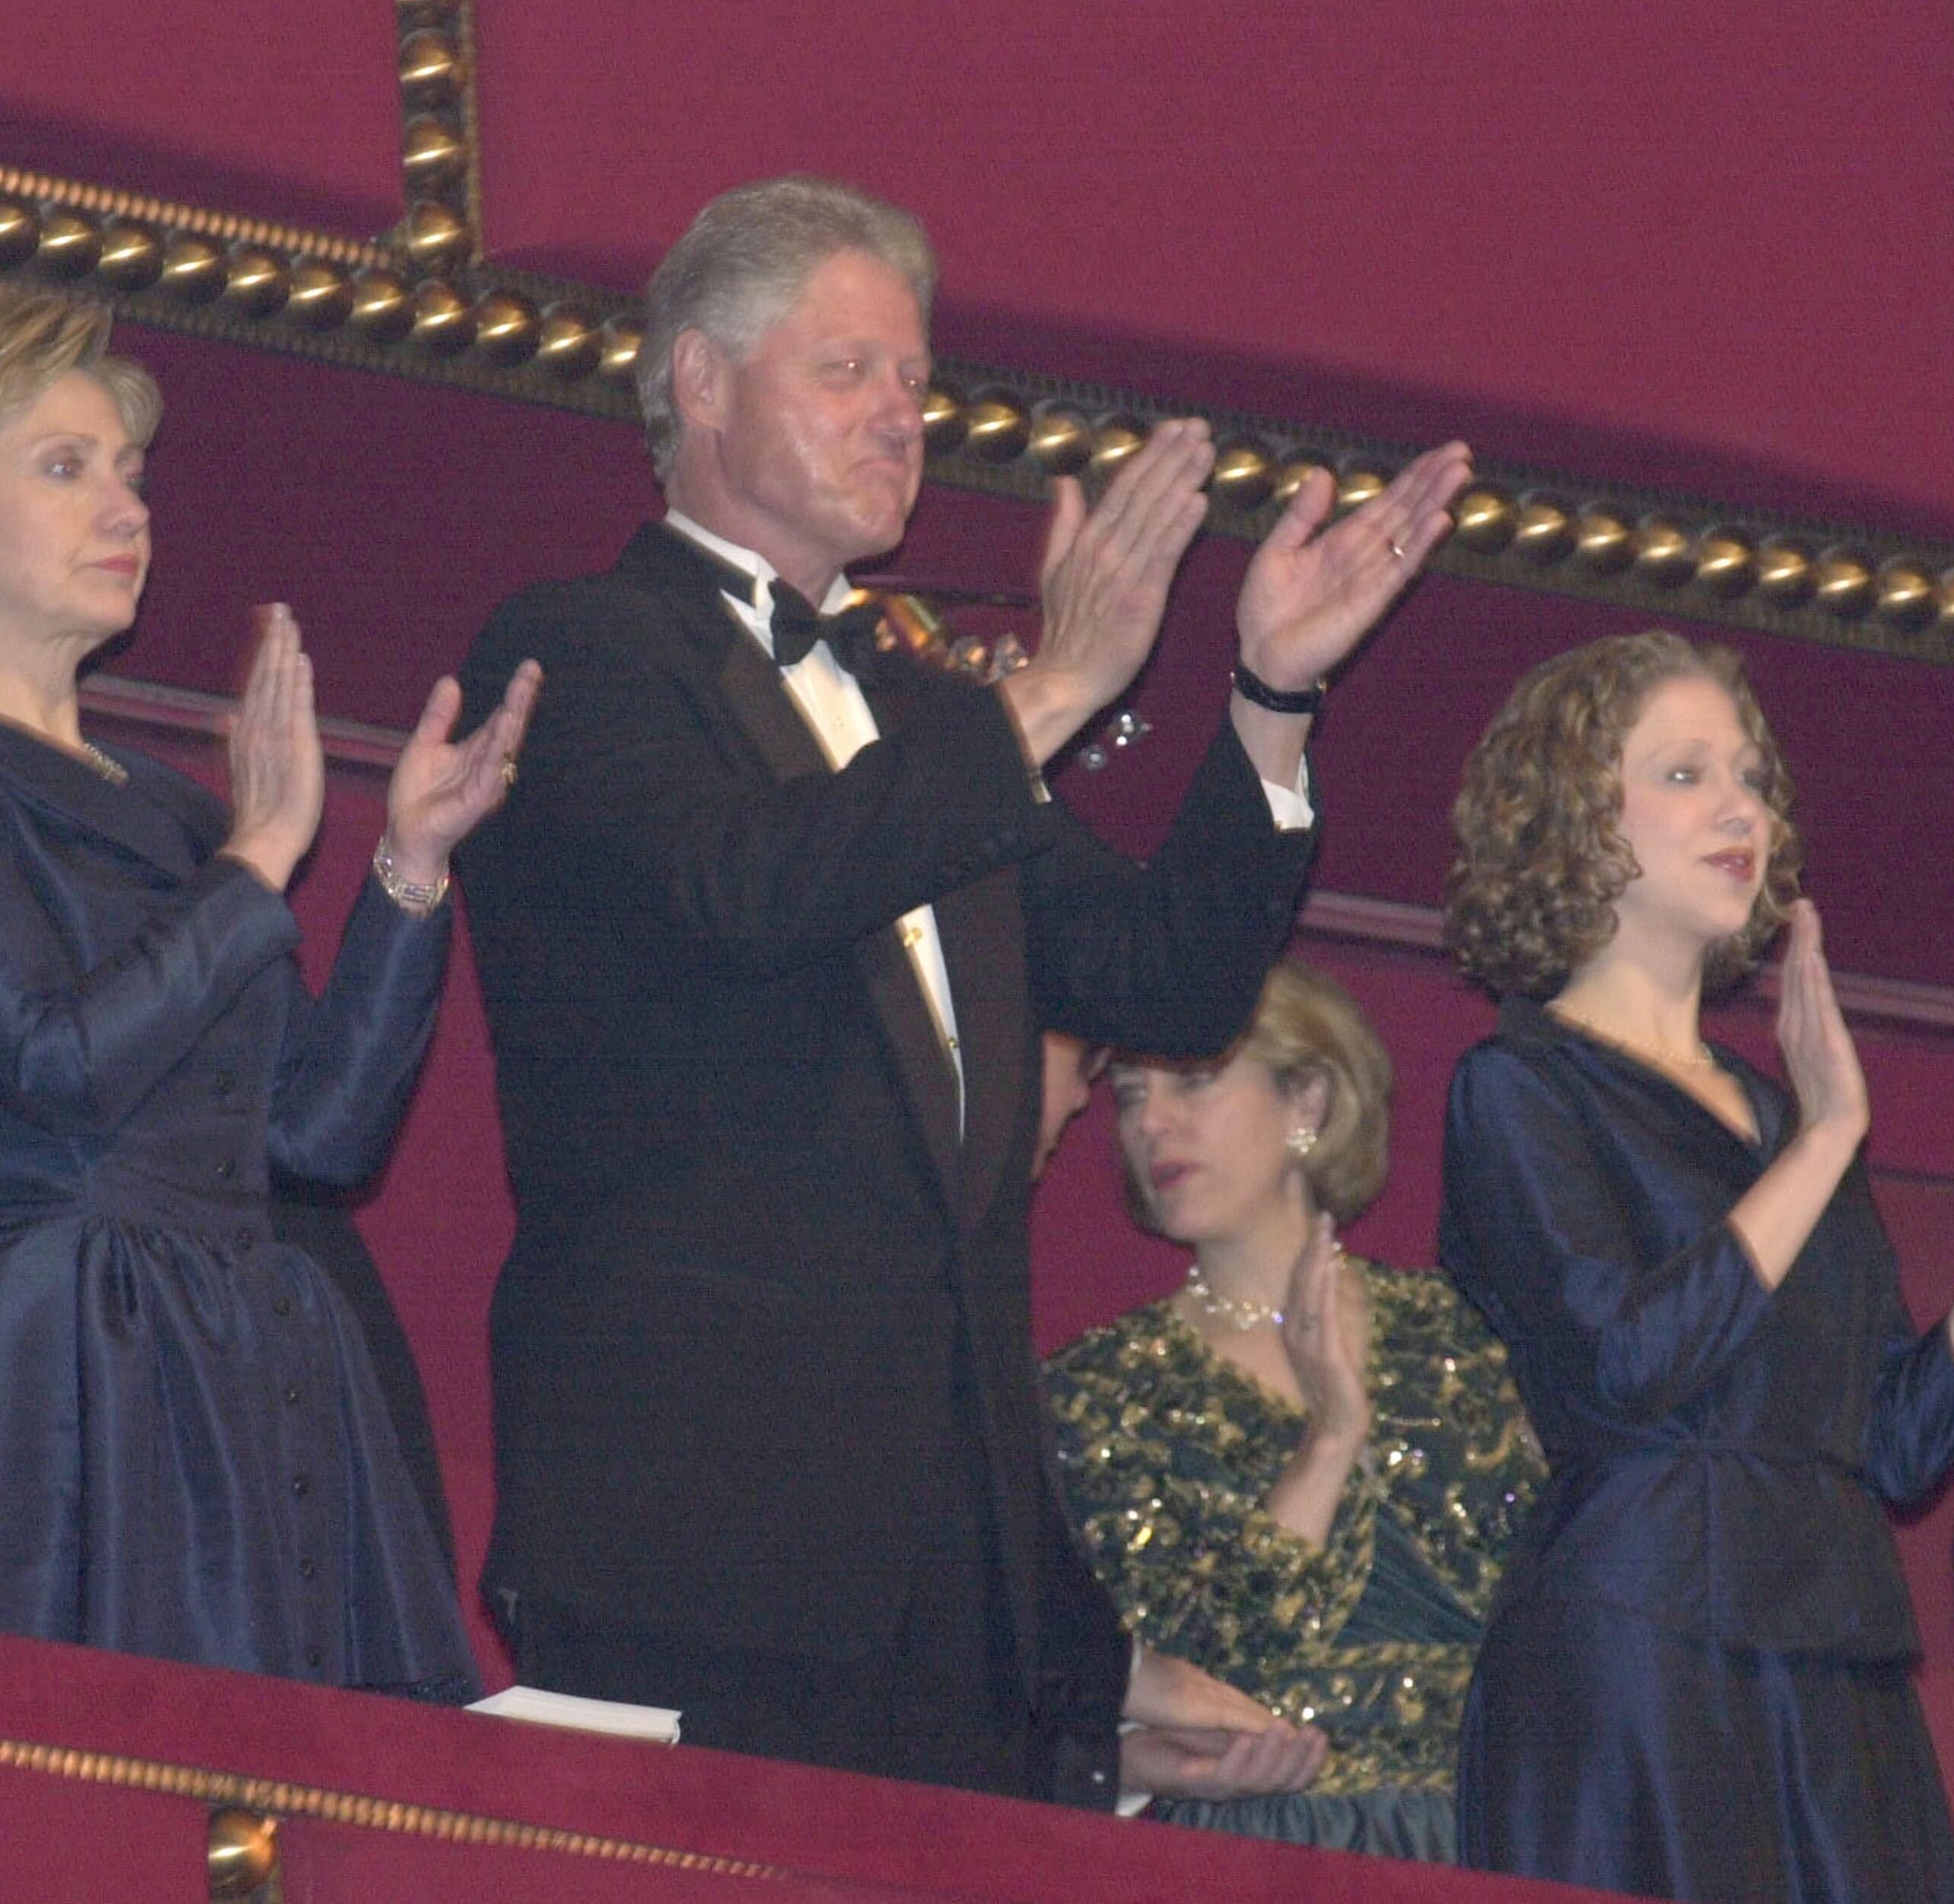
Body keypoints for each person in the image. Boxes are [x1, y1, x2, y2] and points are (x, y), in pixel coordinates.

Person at [455, 174, 1470, 1803]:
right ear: (700, 383)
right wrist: (1058, 687)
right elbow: (745, 890)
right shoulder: (582, 651)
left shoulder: (925, 712)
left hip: (960, 1580)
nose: (902, 417)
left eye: (917, 384)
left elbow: (1171, 974)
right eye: (847, 369)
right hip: (696, 1539)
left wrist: (1273, 693)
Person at [0, 283, 538, 1694]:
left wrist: (409, 871)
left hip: (230, 1357)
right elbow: (51, 1059)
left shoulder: (181, 823)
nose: (127, 508)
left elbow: (317, 1138)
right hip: (37, 1362)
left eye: (128, 473)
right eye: (64, 469)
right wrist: (263, 854)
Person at [1435, 629, 1954, 1902]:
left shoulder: (1780, 1119)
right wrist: (1831, 1137)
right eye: (1685, 773)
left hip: (1832, 1655)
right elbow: (1625, 1365)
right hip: (1642, 1648)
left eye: (1752, 776)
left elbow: (1896, 1436)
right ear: (1572, 818)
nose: (1743, 808)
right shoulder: (1519, 1083)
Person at [1045, 958, 1542, 1859]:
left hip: (1487, 1842)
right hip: (1250, 1852)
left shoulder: (1468, 1335)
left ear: (1307, 1099)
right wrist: (1330, 1438)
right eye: (1127, 1095)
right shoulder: (1101, 1392)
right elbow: (1184, 1676)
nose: (1151, 1121)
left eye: (1193, 1081)